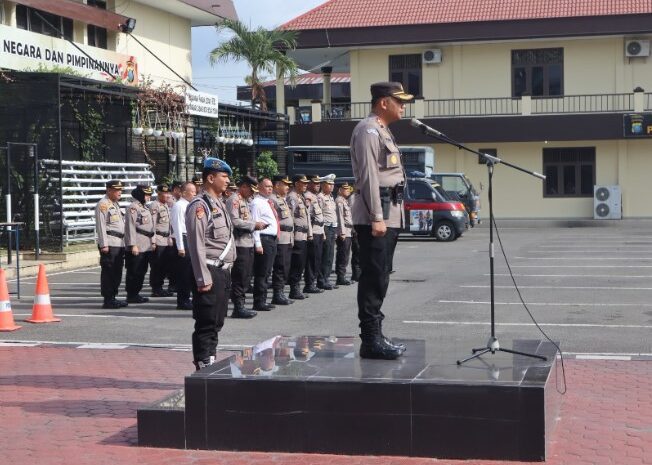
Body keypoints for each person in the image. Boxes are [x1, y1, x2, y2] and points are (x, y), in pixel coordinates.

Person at [350, 81, 412, 360]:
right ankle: (370, 339)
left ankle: (376, 333)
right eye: (399, 100)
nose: (403, 105)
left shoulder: (383, 130)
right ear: (383, 102)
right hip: (377, 214)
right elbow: (368, 177)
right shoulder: (368, 130)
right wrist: (377, 217)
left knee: (382, 274)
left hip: (390, 211)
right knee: (374, 275)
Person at [185, 157, 235, 370]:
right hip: (209, 270)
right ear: (210, 177)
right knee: (206, 323)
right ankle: (204, 366)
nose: (227, 181)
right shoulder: (200, 205)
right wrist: (202, 277)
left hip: (222, 272)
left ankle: (210, 362)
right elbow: (196, 245)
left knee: (216, 322)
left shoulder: (219, 204)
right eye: (224, 176)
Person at [228, 175, 266, 319]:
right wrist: (253, 225)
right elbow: (234, 221)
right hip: (239, 243)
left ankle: (241, 305)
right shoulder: (234, 200)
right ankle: (238, 307)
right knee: (239, 276)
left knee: (246, 276)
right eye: (251, 190)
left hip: (247, 241)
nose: (252, 193)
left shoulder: (244, 200)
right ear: (243, 186)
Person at [95, 179, 128, 309]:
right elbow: (101, 225)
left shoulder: (115, 204)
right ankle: (108, 299)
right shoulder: (103, 204)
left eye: (120, 190)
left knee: (117, 272)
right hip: (110, 242)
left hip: (119, 243)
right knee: (109, 272)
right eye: (116, 190)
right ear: (108, 190)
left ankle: (113, 297)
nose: (119, 192)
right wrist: (104, 244)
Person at [250, 177, 279, 312]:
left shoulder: (268, 202)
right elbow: (254, 224)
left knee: (267, 271)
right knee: (262, 272)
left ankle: (263, 300)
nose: (270, 188)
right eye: (267, 186)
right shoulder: (256, 203)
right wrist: (258, 244)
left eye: (271, 186)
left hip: (272, 239)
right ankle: (259, 301)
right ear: (259, 187)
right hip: (264, 239)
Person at [124, 185, 155, 304]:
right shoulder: (133, 207)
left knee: (142, 270)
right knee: (134, 271)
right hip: (137, 243)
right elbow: (130, 227)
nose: (149, 197)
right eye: (146, 195)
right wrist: (133, 244)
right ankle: (131, 294)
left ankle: (136, 293)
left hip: (145, 243)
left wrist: (152, 241)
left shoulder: (145, 208)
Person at [170, 181, 196, 310]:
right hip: (183, 239)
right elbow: (178, 227)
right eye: (192, 191)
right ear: (184, 192)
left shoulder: (189, 205)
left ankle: (187, 297)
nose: (194, 194)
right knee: (184, 273)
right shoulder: (179, 206)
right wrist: (180, 247)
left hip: (190, 238)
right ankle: (183, 300)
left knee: (190, 271)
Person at [287, 174, 312, 300]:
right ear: (296, 183)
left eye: (306, 183)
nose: (306, 185)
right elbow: (290, 217)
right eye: (303, 183)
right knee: (297, 263)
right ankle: (294, 289)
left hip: (303, 235)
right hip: (296, 235)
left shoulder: (300, 197)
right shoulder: (292, 197)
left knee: (301, 262)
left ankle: (296, 287)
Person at [270, 175, 294, 306]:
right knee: (280, 266)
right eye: (285, 184)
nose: (287, 187)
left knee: (285, 266)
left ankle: (281, 292)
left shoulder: (282, 199)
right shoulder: (272, 199)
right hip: (281, 237)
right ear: (277, 185)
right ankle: (277, 294)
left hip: (288, 237)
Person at [148, 184, 174, 297]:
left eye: (168, 193)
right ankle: (156, 288)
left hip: (166, 239)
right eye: (165, 193)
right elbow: (152, 225)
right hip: (158, 239)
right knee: (157, 266)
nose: (167, 195)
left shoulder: (165, 205)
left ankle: (160, 287)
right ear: (159, 194)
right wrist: (153, 241)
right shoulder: (155, 205)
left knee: (164, 265)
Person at [303, 175, 325, 294]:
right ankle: (309, 284)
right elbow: (308, 217)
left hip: (319, 230)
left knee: (318, 258)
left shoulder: (315, 197)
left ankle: (314, 282)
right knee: (312, 259)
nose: (318, 185)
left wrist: (323, 232)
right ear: (310, 184)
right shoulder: (308, 197)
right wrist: (310, 234)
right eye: (315, 183)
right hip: (313, 231)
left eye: (318, 183)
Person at [318, 175, 338, 290]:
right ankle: (321, 280)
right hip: (325, 228)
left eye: (332, 184)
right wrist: (323, 232)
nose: (331, 186)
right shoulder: (320, 197)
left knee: (330, 255)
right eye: (329, 184)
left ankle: (327, 279)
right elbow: (319, 215)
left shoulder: (330, 197)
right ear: (323, 185)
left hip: (332, 227)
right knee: (325, 255)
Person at [335, 182, 353, 286]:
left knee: (346, 255)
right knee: (342, 255)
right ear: (340, 190)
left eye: (348, 189)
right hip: (344, 231)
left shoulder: (345, 201)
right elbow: (340, 218)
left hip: (348, 231)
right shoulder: (339, 201)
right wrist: (342, 232)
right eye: (345, 189)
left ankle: (342, 275)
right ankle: (340, 277)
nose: (348, 190)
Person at [349, 187, 362, 282]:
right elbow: (351, 215)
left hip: (363, 228)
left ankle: (360, 274)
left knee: (362, 253)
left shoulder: (362, 197)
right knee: (357, 253)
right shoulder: (354, 197)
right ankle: (356, 275)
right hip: (356, 229)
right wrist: (354, 229)